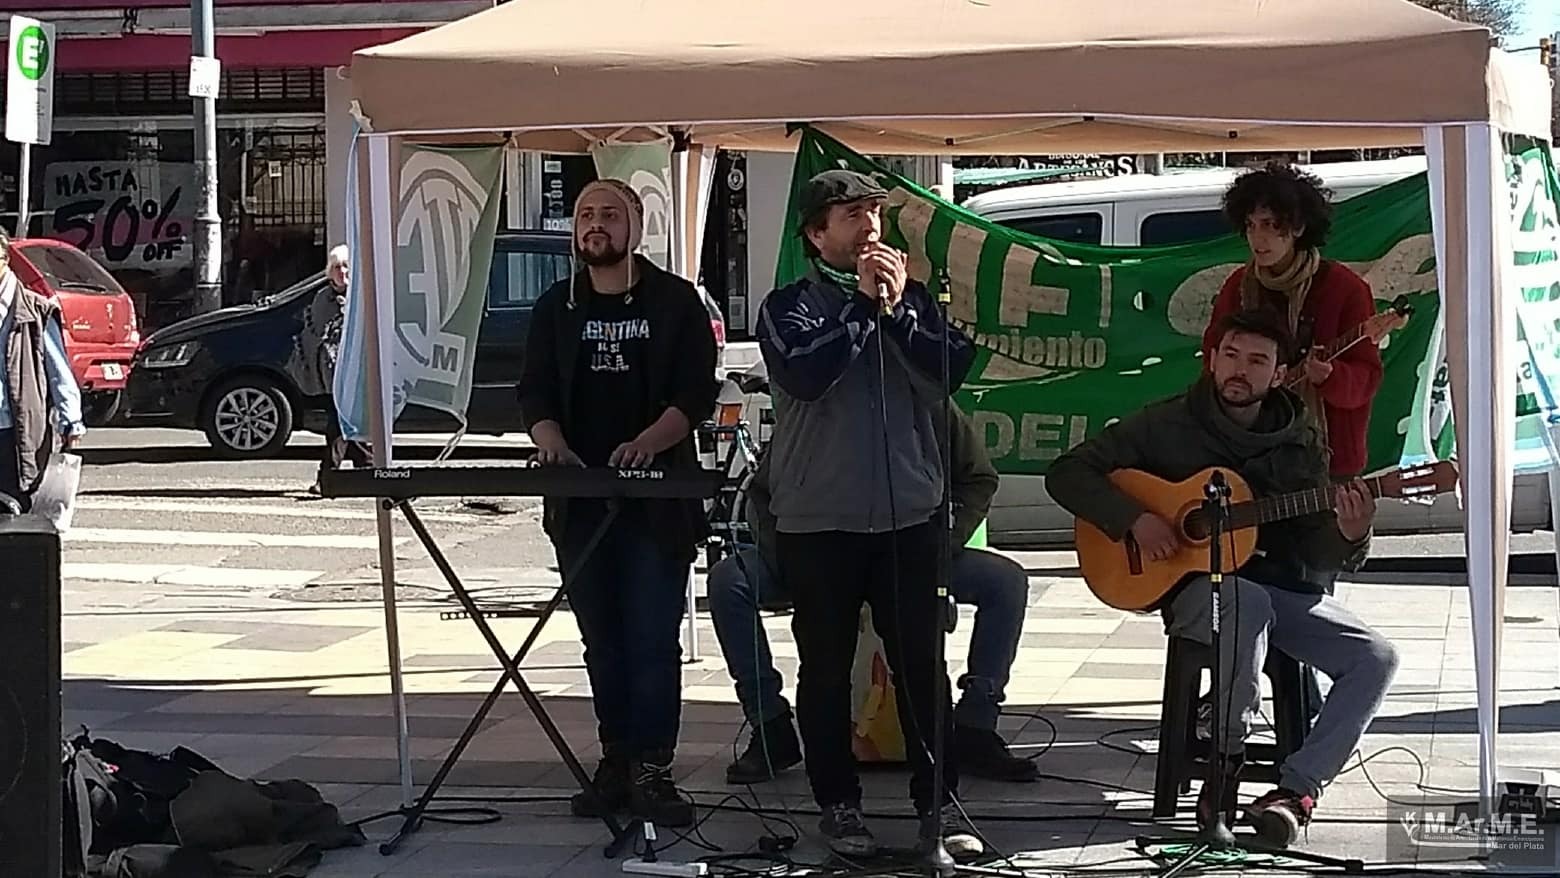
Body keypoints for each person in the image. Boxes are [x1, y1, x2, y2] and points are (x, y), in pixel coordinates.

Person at [1046, 309, 1398, 849]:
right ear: (1211, 360)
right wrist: (1133, 519)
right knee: (1245, 599)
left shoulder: (1298, 444)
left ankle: (1295, 793)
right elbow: (1067, 472)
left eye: (1257, 361)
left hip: (1282, 591)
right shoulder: (1166, 425)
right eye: (1230, 355)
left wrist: (1352, 533)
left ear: (1280, 374)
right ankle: (1224, 765)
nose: (1240, 370)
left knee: (1375, 657)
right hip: (1190, 590)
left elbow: (1315, 547)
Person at [756, 169, 981, 859]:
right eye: (852, 214)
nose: (870, 226)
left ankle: (936, 807)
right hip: (819, 519)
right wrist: (860, 308)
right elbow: (806, 375)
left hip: (908, 514)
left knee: (921, 664)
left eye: (876, 212)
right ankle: (840, 805)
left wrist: (899, 309)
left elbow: (952, 370)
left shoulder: (911, 302)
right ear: (817, 233)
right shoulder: (787, 305)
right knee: (825, 668)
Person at [517, 179, 717, 829]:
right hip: (580, 502)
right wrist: (550, 443)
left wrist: (648, 444)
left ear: (636, 227)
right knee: (601, 640)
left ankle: (654, 771)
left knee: (652, 639)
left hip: (657, 504)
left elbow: (694, 394)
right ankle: (616, 760)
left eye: (609, 214)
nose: (594, 224)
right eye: (585, 215)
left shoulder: (675, 302)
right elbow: (535, 392)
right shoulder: (557, 306)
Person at [709, 403, 1036, 786]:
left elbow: (978, 478)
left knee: (1005, 583)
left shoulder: (928, 398)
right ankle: (769, 723)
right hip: (817, 552)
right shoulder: (814, 395)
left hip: (910, 550)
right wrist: (785, 555)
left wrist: (943, 542)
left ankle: (975, 725)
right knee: (729, 581)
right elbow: (763, 492)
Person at [1202, 162, 1383, 479]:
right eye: (1250, 225)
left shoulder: (1345, 289)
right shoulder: (1238, 286)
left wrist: (1330, 377)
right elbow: (1213, 361)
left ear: (1298, 227)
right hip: (1250, 454)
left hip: (1328, 459)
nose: (1258, 238)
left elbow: (1366, 378)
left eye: (1270, 225)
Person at [0, 227, 86, 512]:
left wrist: (70, 421)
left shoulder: (36, 311)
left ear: (5, 259)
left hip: (15, 430)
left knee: (14, 512)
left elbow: (58, 369)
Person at [306, 245, 368, 495]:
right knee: (345, 424)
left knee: (341, 424)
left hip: (357, 373)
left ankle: (328, 477)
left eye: (345, 267)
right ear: (329, 272)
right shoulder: (322, 299)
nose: (341, 272)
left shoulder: (362, 297)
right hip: (330, 374)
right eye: (336, 267)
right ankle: (371, 472)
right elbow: (315, 332)